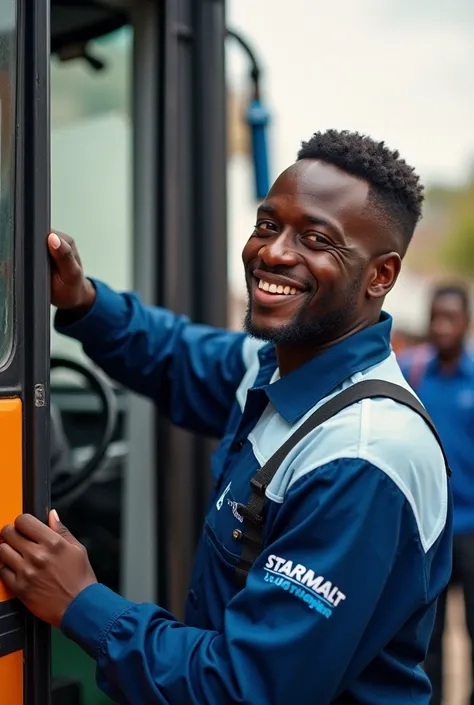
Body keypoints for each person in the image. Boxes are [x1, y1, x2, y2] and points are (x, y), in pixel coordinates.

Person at [0, 130, 452, 704]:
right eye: (268, 224)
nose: (274, 252)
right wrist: (84, 299)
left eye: (316, 239)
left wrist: (83, 603)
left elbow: (248, 687)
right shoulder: (277, 366)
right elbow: (177, 356)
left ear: (381, 276)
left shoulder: (362, 459)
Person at [399, 284, 474, 705]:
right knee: (427, 641)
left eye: (451, 317)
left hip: (472, 531)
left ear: (466, 323)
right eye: (436, 318)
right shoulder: (410, 373)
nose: (442, 326)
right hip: (428, 531)